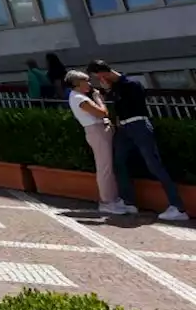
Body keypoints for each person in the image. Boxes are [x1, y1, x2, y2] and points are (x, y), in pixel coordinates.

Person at [88, 60, 188, 221]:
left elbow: (131, 103)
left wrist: (110, 90)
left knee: (154, 164)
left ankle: (178, 207)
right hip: (124, 128)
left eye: (97, 76)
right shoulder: (117, 87)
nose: (98, 80)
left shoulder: (131, 84)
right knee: (119, 161)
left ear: (103, 73)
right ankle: (129, 202)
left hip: (138, 124)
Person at [65, 70, 126, 215]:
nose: (89, 84)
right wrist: (99, 99)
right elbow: (102, 113)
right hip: (96, 131)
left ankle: (113, 198)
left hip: (99, 130)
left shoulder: (79, 97)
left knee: (108, 165)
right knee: (105, 167)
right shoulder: (80, 98)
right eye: (86, 81)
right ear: (77, 84)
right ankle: (107, 201)